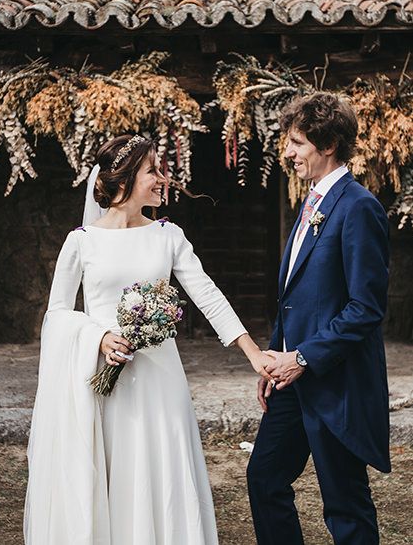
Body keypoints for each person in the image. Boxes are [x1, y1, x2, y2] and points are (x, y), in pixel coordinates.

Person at [24, 134, 272, 545]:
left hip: (161, 380)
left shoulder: (167, 235)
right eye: (152, 170)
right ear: (123, 180)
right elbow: (57, 315)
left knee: (161, 471)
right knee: (113, 472)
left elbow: (207, 294)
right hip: (104, 380)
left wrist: (252, 351)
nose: (162, 178)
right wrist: (99, 336)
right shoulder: (81, 242)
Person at [247, 92, 390, 545]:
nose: (287, 153)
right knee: (264, 479)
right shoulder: (310, 203)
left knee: (345, 505)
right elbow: (295, 295)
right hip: (290, 379)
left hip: (335, 383)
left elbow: (365, 307)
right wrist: (275, 356)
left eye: (296, 143)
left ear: (327, 144)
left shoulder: (359, 206)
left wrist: (304, 357)